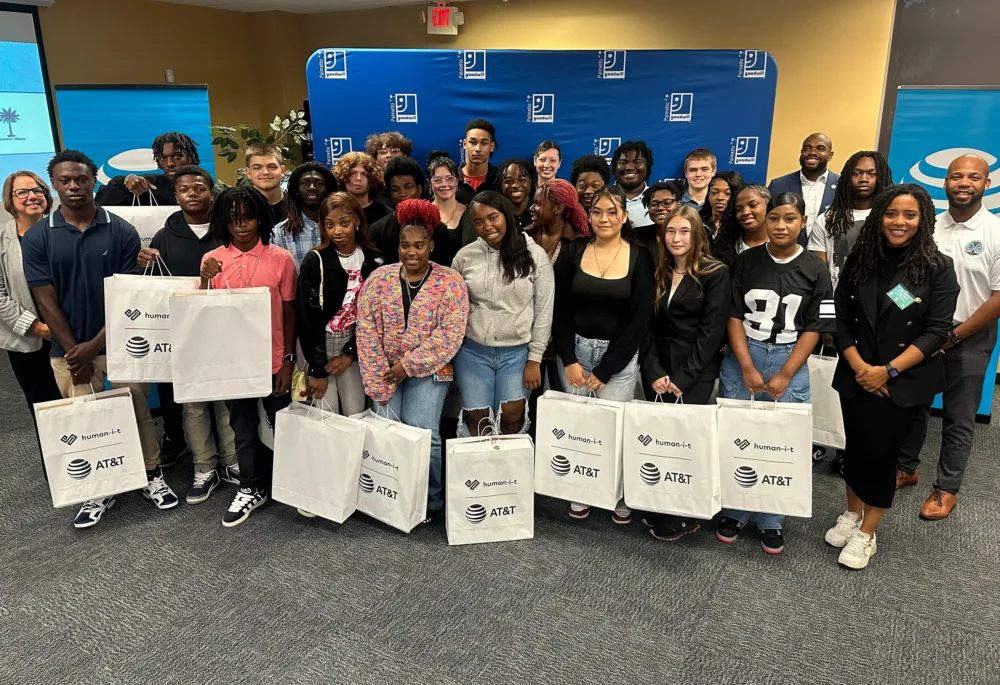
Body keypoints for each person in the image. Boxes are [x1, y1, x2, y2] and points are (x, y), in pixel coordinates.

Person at [21, 150, 177, 528]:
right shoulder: (40, 236)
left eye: (81, 179)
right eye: (65, 181)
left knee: (136, 409)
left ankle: (151, 474)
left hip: (121, 342)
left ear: (94, 181)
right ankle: (98, 488)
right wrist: (77, 351)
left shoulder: (120, 229)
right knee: (85, 418)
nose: (74, 186)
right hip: (67, 349)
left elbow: (129, 295)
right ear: (54, 185)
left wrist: (95, 345)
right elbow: (45, 298)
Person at [826, 184, 959, 569]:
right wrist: (860, 367)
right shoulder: (859, 261)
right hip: (856, 374)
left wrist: (888, 371)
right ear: (879, 215)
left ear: (922, 220)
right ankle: (851, 514)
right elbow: (842, 320)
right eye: (891, 213)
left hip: (902, 382)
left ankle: (867, 532)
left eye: (909, 215)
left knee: (882, 456)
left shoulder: (938, 267)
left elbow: (936, 332)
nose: (899, 222)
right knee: (854, 449)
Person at [714, 191, 834, 554]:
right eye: (774, 218)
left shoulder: (815, 267)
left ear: (803, 222)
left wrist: (785, 373)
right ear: (765, 221)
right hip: (744, 353)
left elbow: (814, 327)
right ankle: (735, 510)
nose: (781, 225)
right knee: (737, 435)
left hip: (790, 356)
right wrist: (747, 366)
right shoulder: (746, 261)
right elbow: (733, 316)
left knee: (783, 441)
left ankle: (772, 517)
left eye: (790, 219)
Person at [897, 154, 1000, 519]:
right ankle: (906, 469)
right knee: (914, 406)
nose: (963, 183)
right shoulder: (927, 227)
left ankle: (946, 488)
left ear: (986, 184)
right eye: (956, 176)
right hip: (922, 334)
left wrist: (952, 337)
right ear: (945, 182)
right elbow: (904, 282)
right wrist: (901, 314)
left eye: (974, 177)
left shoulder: (996, 232)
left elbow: (998, 298)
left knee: (959, 416)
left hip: (969, 336)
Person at [356, 199, 469, 523]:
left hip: (431, 370)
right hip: (384, 372)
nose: (411, 252)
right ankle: (392, 493)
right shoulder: (378, 279)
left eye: (419, 245)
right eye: (405, 245)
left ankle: (431, 499)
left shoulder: (450, 282)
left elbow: (450, 334)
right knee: (388, 432)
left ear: (431, 245)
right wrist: (381, 376)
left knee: (423, 430)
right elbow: (366, 330)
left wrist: (408, 366)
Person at [135, 166, 238, 505]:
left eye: (199, 187)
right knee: (193, 405)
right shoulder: (165, 236)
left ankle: (232, 461)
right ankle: (204, 466)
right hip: (184, 335)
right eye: (183, 189)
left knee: (226, 401)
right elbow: (153, 288)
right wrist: (143, 263)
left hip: (225, 331)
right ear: (175, 195)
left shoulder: (228, 231)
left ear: (212, 192)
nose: (192, 193)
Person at [553, 185, 654, 524]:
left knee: (616, 429)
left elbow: (640, 319)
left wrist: (607, 369)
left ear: (625, 216)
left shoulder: (641, 257)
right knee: (579, 427)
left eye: (613, 212)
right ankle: (582, 489)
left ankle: (618, 494)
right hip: (576, 353)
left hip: (619, 358)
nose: (604, 218)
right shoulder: (574, 251)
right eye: (597, 212)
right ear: (589, 216)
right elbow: (560, 309)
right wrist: (569, 359)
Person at [199, 187, 297, 527]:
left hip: (272, 358)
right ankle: (252, 486)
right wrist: (204, 279)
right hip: (232, 362)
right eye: (234, 219)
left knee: (284, 424)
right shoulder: (212, 260)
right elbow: (202, 312)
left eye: (249, 218)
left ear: (261, 218)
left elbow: (289, 312)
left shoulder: (280, 258)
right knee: (242, 426)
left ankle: (293, 483)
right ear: (223, 221)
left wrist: (287, 359)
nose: (242, 226)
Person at [641, 205, 730, 541]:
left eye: (684, 232)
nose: (676, 238)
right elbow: (646, 327)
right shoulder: (658, 270)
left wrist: (683, 378)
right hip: (657, 371)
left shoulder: (714, 273)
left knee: (684, 441)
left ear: (697, 235)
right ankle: (660, 502)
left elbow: (712, 334)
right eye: (670, 231)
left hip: (694, 373)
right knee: (658, 439)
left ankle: (685, 510)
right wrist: (652, 370)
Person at [452, 191, 554, 437]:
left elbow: (544, 309)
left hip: (517, 354)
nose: (487, 226)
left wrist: (535, 358)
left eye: (493, 217)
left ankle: (508, 475)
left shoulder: (534, 255)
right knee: (479, 419)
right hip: (472, 352)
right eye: (478, 221)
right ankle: (480, 473)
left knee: (512, 417)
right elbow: (452, 309)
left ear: (506, 216)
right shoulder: (465, 257)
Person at [296, 192, 384, 418]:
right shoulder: (315, 260)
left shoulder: (374, 259)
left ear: (356, 221)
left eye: (344, 223)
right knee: (327, 416)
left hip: (354, 343)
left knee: (356, 413)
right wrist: (316, 369)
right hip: (319, 344)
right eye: (329, 225)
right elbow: (307, 317)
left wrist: (349, 353)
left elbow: (376, 316)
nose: (337, 231)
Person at [0, 171, 62, 459]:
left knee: (81, 399)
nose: (31, 196)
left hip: (70, 333)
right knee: (43, 404)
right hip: (29, 339)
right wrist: (34, 326)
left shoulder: (63, 231)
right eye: (22, 192)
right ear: (10, 201)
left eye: (37, 190)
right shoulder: (2, 241)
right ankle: (60, 471)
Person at [809, 151, 892, 292]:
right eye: (856, 173)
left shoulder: (890, 219)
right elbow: (818, 273)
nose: (863, 179)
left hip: (879, 304)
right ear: (847, 177)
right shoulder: (827, 219)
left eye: (872, 174)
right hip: (837, 303)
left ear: (881, 177)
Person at [768, 133, 840, 247]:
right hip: (786, 256)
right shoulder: (778, 185)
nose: (812, 152)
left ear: (830, 155)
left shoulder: (843, 186)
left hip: (828, 257)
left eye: (820, 148)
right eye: (807, 148)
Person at [95, 131, 199, 206]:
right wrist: (125, 182)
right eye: (162, 158)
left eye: (176, 156)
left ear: (190, 158)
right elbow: (101, 201)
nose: (169, 164)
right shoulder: (148, 184)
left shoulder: (205, 185)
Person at [271, 161, 337, 270]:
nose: (312, 187)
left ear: (328, 190)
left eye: (318, 183)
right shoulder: (280, 233)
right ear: (296, 190)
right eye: (305, 183)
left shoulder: (343, 228)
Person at [370, 157, 430, 258]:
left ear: (419, 189)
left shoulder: (435, 226)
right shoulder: (378, 230)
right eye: (395, 189)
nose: (402, 193)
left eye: (408, 187)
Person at [332, 151, 392, 230]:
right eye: (353, 173)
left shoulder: (386, 213)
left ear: (372, 178)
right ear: (343, 176)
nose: (358, 178)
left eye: (364, 174)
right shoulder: (332, 210)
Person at [715, 183, 771, 266]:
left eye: (752, 205)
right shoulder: (725, 247)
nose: (745, 212)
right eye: (739, 209)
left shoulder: (781, 244)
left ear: (768, 205)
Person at [428, 151, 468, 246]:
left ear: (457, 181)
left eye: (449, 179)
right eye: (437, 180)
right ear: (429, 183)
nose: (444, 184)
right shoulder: (423, 214)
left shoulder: (470, 213)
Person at [612, 140, 654, 229]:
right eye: (623, 162)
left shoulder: (656, 199)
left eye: (637, 162)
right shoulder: (601, 198)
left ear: (647, 166)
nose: (629, 167)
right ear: (614, 166)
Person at [244, 143, 289, 226]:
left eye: (272, 167)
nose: (265, 172)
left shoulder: (296, 207)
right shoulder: (240, 208)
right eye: (257, 168)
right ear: (248, 173)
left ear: (282, 171)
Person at [457, 118, 500, 203]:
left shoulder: (499, 180)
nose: (477, 149)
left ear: (492, 147)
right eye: (473, 142)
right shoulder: (452, 179)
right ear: (465, 144)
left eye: (484, 143)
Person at [639, 181, 684, 261]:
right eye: (654, 204)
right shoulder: (638, 236)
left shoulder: (690, 235)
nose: (660, 208)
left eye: (667, 203)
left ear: (679, 204)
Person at [699, 170, 745, 239]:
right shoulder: (698, 222)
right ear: (708, 195)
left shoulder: (742, 225)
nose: (720, 198)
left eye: (727, 193)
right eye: (714, 192)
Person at [497, 158, 536, 230]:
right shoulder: (495, 212)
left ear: (531, 181)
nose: (515, 185)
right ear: (501, 184)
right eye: (508, 181)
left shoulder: (540, 212)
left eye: (522, 180)